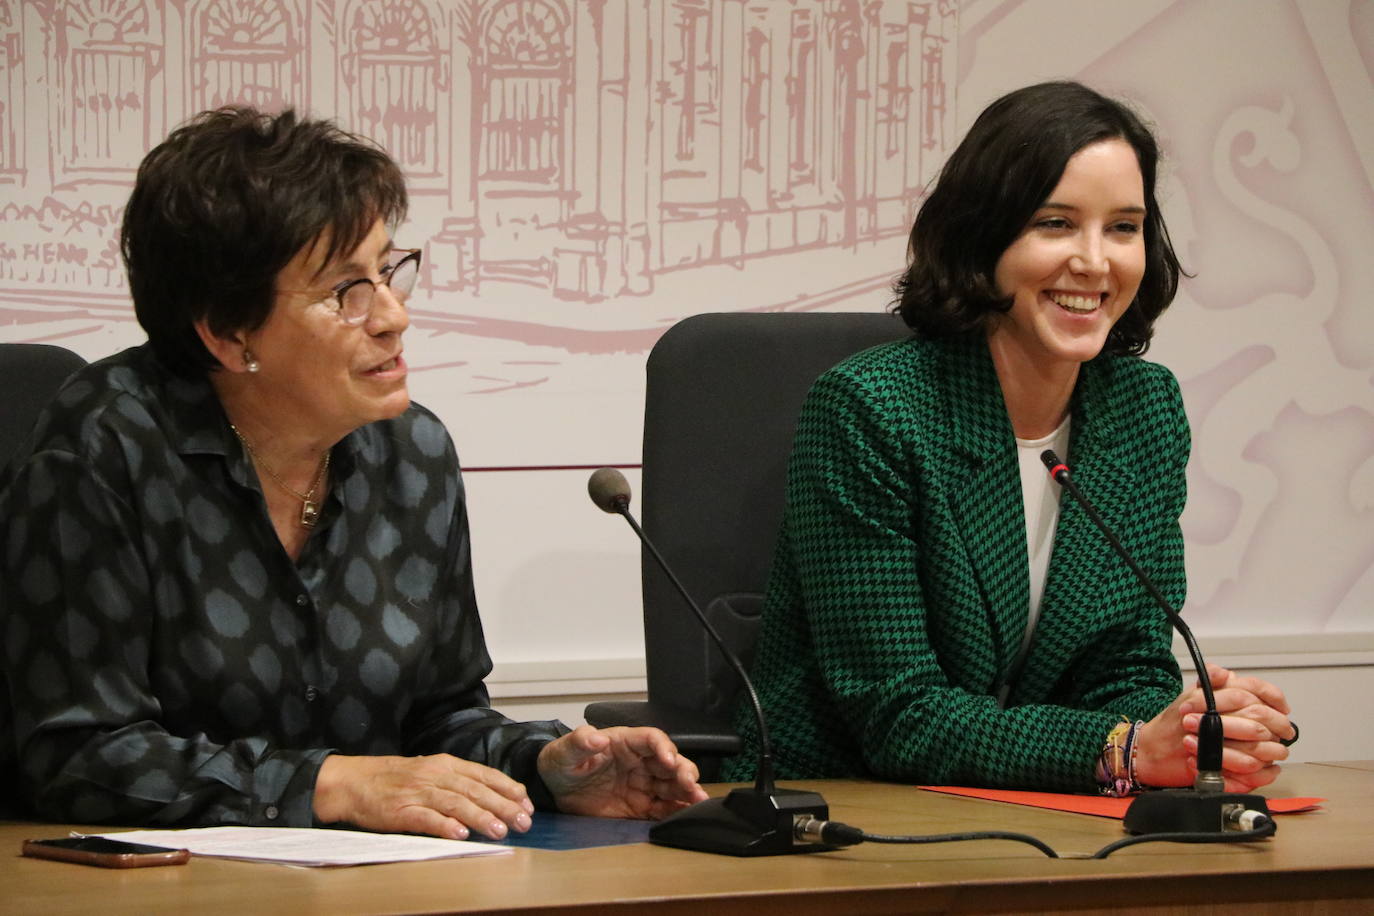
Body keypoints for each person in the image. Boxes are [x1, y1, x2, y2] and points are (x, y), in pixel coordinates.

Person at [0, 107, 706, 838]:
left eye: (389, 270)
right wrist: (329, 783)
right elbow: (77, 755)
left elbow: (440, 717)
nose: (394, 315)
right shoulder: (102, 452)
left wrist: (543, 768)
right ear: (227, 330)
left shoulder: (412, 454)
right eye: (348, 292)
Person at [722, 82, 1295, 796]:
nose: (1095, 262)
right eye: (1056, 224)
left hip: (1051, 808)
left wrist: (1187, 732)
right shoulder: (871, 410)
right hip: (841, 810)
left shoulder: (1144, 411)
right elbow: (898, 712)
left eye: (1123, 227)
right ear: (982, 235)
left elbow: (1129, 665)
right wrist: (1119, 751)